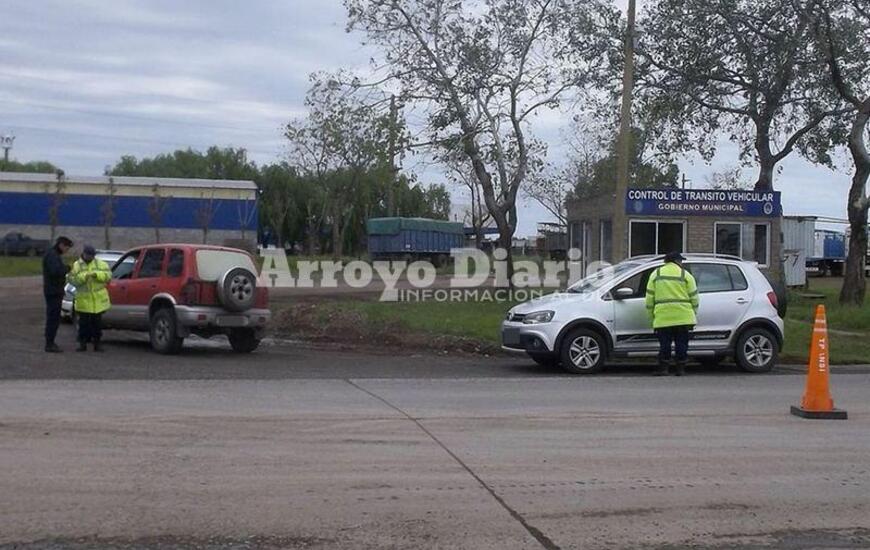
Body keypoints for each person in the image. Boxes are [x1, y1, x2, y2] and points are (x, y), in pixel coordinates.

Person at [645, 252, 699, 376]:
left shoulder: (656, 274)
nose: (681, 263)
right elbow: (694, 297)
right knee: (682, 344)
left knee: (665, 345)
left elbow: (649, 299)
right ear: (676, 261)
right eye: (680, 261)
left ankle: (663, 369)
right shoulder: (685, 274)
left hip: (663, 317)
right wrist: (693, 313)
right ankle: (680, 369)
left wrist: (651, 317)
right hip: (683, 317)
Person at [68, 245, 112, 352]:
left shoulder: (100, 264)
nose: (90, 257)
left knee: (97, 325)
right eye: (88, 255)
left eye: (92, 255)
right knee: (83, 325)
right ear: (84, 254)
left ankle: (97, 344)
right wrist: (85, 277)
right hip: (84, 300)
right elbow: (72, 280)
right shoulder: (76, 265)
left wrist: (97, 275)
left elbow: (108, 276)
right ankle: (82, 344)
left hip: (97, 301)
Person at [42, 236, 73, 352]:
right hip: (53, 292)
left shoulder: (53, 255)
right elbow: (56, 271)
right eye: (67, 248)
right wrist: (67, 268)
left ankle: (50, 341)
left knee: (54, 318)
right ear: (61, 245)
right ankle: (49, 343)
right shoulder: (52, 256)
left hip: (55, 291)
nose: (66, 251)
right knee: (53, 318)